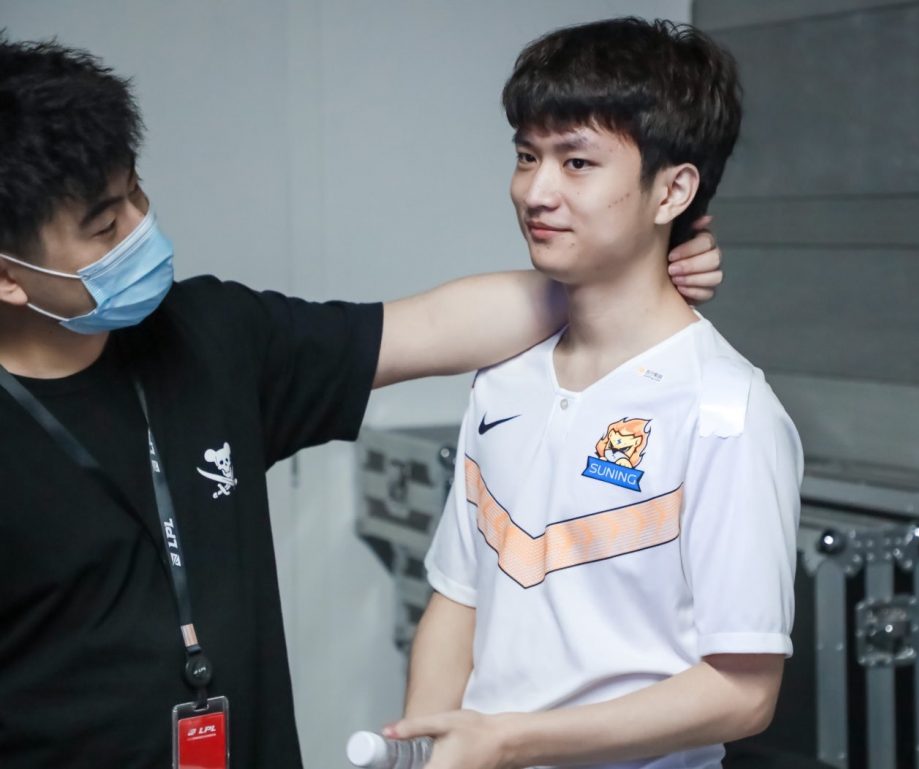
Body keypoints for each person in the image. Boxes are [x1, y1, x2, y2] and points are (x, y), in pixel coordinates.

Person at [0, 35, 723, 769]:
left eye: (136, 193)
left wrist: (637, 264)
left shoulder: (208, 336)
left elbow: (431, 328)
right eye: (104, 226)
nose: (139, 229)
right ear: (8, 277)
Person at [390, 18, 802, 769]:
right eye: (527, 156)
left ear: (672, 190)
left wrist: (509, 740)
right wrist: (426, 746)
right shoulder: (504, 376)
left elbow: (744, 693)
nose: (535, 191)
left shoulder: (726, 411)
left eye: (576, 162)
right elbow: (458, 597)